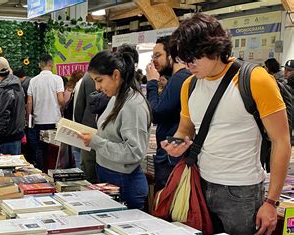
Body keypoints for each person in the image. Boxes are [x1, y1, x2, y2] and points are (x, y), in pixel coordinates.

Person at [163, 13, 290, 235]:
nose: (189, 65)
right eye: (185, 59)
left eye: (194, 57)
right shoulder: (189, 85)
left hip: (242, 191)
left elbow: (281, 141)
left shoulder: (254, 79)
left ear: (214, 48)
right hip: (199, 183)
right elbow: (185, 128)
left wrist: (271, 201)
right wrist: (177, 142)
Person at [78, 48, 151, 210]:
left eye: (100, 80)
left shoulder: (133, 104)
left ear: (116, 75)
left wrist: (96, 142)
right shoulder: (116, 98)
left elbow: (134, 152)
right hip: (111, 176)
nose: (97, 87)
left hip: (125, 182)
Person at [145, 36, 191, 192]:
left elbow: (156, 113)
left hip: (171, 157)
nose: (154, 61)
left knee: (165, 205)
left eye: (158, 55)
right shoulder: (176, 79)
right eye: (153, 56)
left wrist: (152, 82)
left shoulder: (179, 79)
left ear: (171, 55)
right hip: (170, 153)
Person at [27, 54, 65, 169]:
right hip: (54, 120)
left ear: (40, 65)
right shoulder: (57, 79)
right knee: (54, 148)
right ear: (51, 64)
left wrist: (29, 118)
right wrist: (62, 109)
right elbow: (61, 99)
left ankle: (41, 171)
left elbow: (29, 102)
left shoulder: (33, 81)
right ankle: (53, 171)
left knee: (39, 148)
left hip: (39, 120)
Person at [0, 56, 25, 155]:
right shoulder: (16, 84)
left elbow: (3, 116)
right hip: (14, 136)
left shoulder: (5, 90)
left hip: (6, 140)